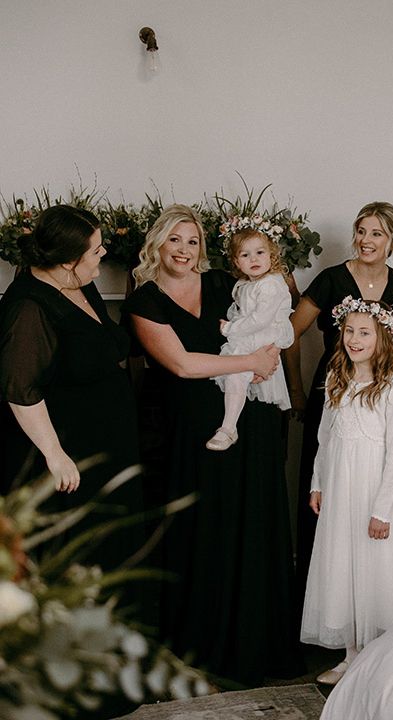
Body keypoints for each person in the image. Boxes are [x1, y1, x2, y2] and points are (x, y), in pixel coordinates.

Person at [122, 204, 301, 685]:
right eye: (175, 240)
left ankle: (256, 645)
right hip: (188, 432)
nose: (184, 250)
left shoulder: (226, 283)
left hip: (251, 424)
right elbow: (181, 364)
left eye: (193, 241)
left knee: (251, 524)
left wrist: (268, 356)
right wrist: (249, 363)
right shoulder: (144, 301)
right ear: (157, 244)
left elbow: (271, 321)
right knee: (203, 528)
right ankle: (201, 645)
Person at [285, 201, 393, 606]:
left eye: (376, 233)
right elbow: (288, 334)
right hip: (335, 395)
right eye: (361, 231)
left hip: (383, 401)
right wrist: (296, 390)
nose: (366, 240)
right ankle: (324, 599)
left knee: (378, 487)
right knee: (325, 492)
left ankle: (375, 600)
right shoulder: (331, 279)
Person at [0, 205, 140, 557]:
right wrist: (55, 454)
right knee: (81, 552)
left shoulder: (79, 284)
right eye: (96, 249)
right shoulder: (28, 308)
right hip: (69, 456)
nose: (103, 253)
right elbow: (20, 390)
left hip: (105, 445)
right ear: (67, 261)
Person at [301, 297, 393, 686]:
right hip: (342, 489)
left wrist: (383, 510)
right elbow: (325, 438)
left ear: (382, 338)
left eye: (364, 333)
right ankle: (350, 654)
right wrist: (318, 482)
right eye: (350, 331)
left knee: (377, 571)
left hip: (376, 491)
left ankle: (381, 658)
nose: (354, 339)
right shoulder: (336, 380)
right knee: (344, 566)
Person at [207, 220, 294, 451]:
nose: (253, 259)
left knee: (237, 375)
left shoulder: (270, 284)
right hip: (249, 337)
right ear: (236, 262)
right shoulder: (245, 283)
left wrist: (230, 329)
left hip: (261, 339)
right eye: (245, 255)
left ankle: (228, 428)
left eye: (260, 253)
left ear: (271, 255)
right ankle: (229, 427)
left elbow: (260, 319)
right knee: (234, 378)